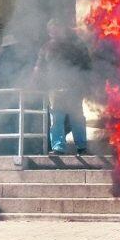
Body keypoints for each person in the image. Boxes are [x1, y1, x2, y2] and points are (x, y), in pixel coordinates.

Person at [33, 19, 91, 155]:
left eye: (57, 29)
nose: (55, 32)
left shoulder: (76, 45)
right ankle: (59, 147)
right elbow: (39, 68)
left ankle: (81, 146)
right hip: (56, 89)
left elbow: (87, 66)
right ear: (49, 32)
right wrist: (36, 83)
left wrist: (86, 84)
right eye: (52, 30)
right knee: (58, 119)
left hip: (73, 89)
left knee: (75, 118)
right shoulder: (47, 48)